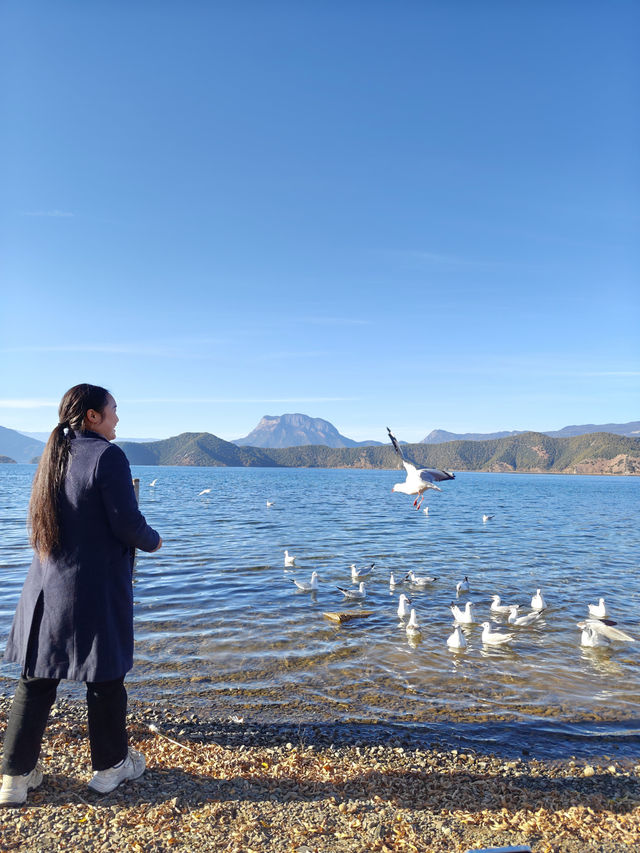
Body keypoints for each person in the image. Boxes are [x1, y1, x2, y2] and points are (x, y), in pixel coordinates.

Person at [0, 384, 162, 807]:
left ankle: (15, 778)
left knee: (36, 680)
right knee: (105, 677)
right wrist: (153, 540)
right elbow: (127, 524)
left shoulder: (52, 456)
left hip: (44, 586)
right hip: (93, 586)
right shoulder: (109, 456)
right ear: (92, 416)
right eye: (113, 411)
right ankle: (110, 768)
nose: (117, 419)